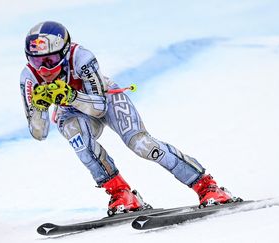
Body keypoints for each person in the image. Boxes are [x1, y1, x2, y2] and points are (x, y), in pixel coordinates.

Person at [20, 21, 235, 216]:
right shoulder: (29, 77)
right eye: (36, 60)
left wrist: (71, 95)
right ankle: (121, 193)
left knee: (142, 144)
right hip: (73, 110)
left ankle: (207, 186)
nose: (43, 69)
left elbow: (99, 107)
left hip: (104, 100)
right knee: (77, 139)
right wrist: (39, 108)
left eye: (51, 60)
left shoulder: (82, 57)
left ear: (65, 53)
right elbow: (39, 133)